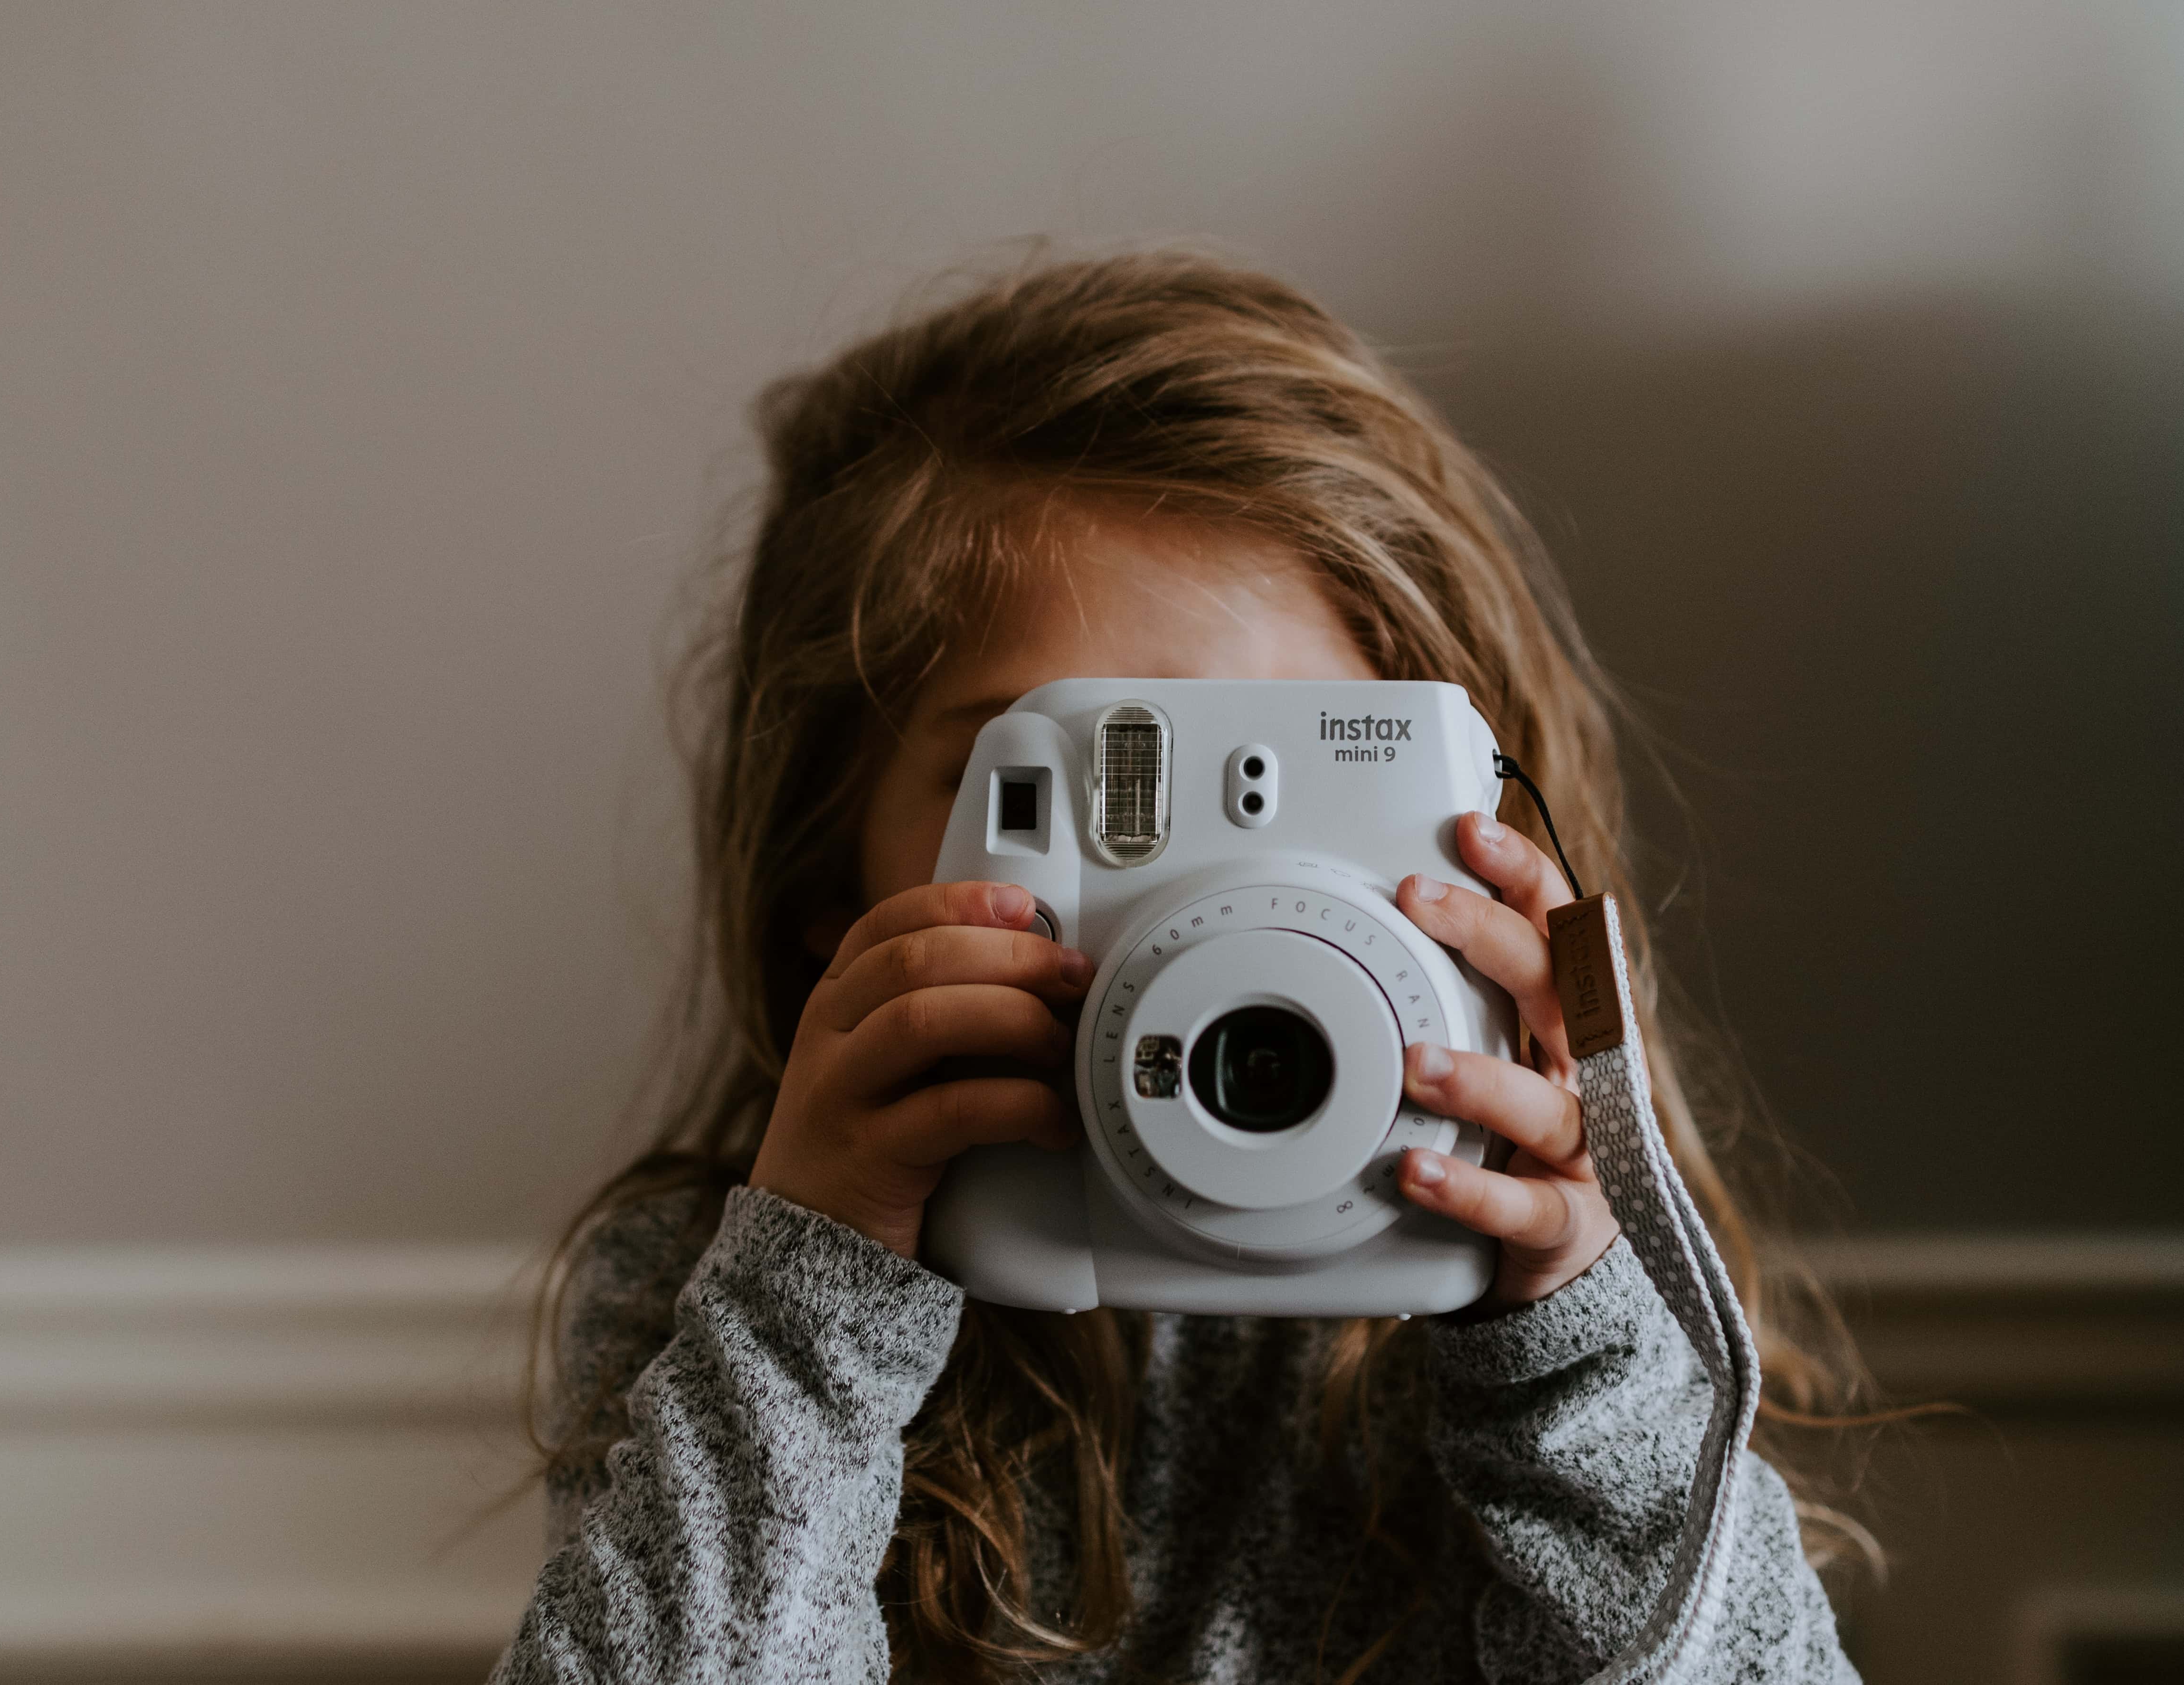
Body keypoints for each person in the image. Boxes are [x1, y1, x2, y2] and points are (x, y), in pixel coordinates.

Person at [492, 249, 1865, 1684]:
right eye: (1065, 789)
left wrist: (1580, 1347)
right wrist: (812, 1295)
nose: (1192, 916)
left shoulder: (1547, 1292)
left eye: (1275, 788)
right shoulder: (712, 1284)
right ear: (822, 882)